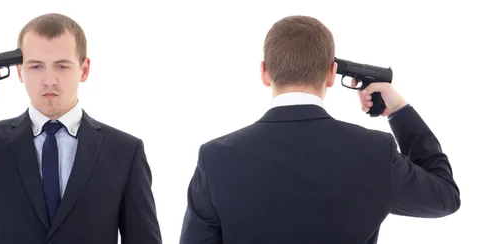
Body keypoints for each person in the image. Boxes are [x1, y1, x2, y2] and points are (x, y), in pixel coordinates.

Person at [178, 15, 460, 244]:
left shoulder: (215, 158)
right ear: (330, 74)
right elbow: (445, 197)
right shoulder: (375, 153)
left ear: (265, 72)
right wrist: (400, 112)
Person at [0, 13, 162, 244]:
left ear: (84, 69)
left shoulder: (125, 152)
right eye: (36, 66)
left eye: (62, 66)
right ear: (20, 72)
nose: (49, 80)